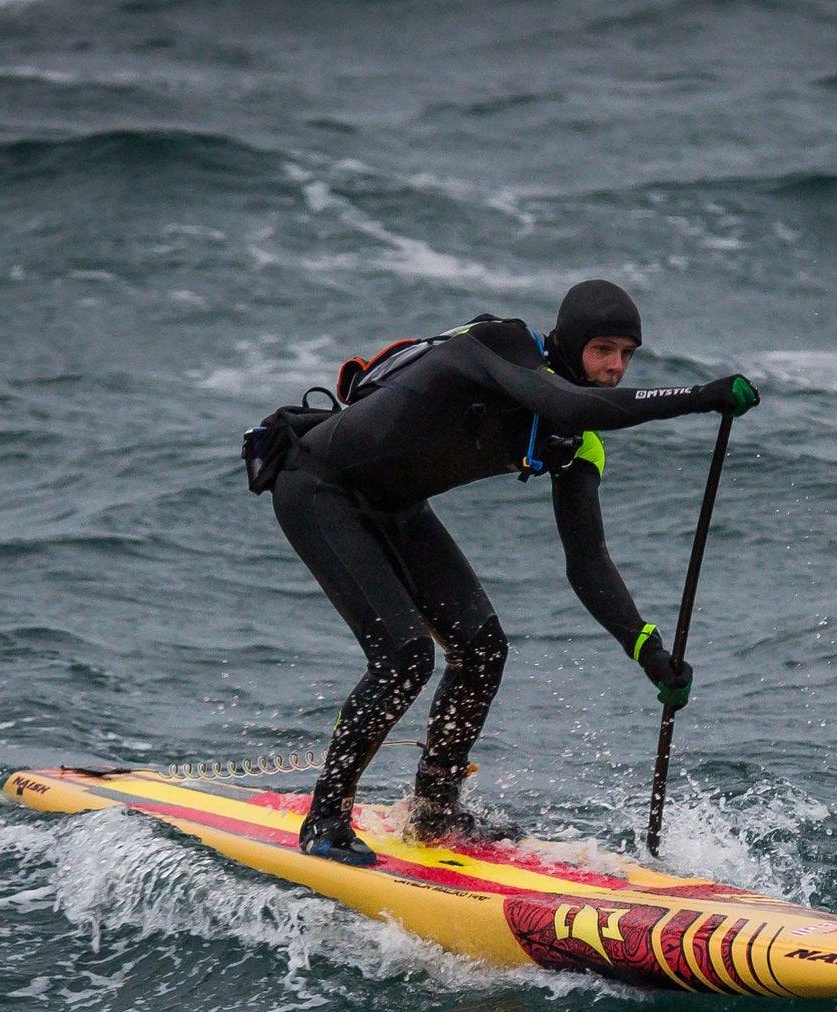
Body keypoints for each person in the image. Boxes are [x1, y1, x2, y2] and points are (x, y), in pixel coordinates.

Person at [269, 279, 760, 864]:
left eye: (627, 355)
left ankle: (433, 810)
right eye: (603, 350)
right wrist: (699, 396)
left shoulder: (575, 442)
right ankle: (324, 822)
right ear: (570, 342)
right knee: (404, 657)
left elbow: (588, 563)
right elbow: (571, 402)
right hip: (319, 487)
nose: (615, 367)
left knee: (482, 648)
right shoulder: (496, 346)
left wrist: (648, 653)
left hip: (395, 506)